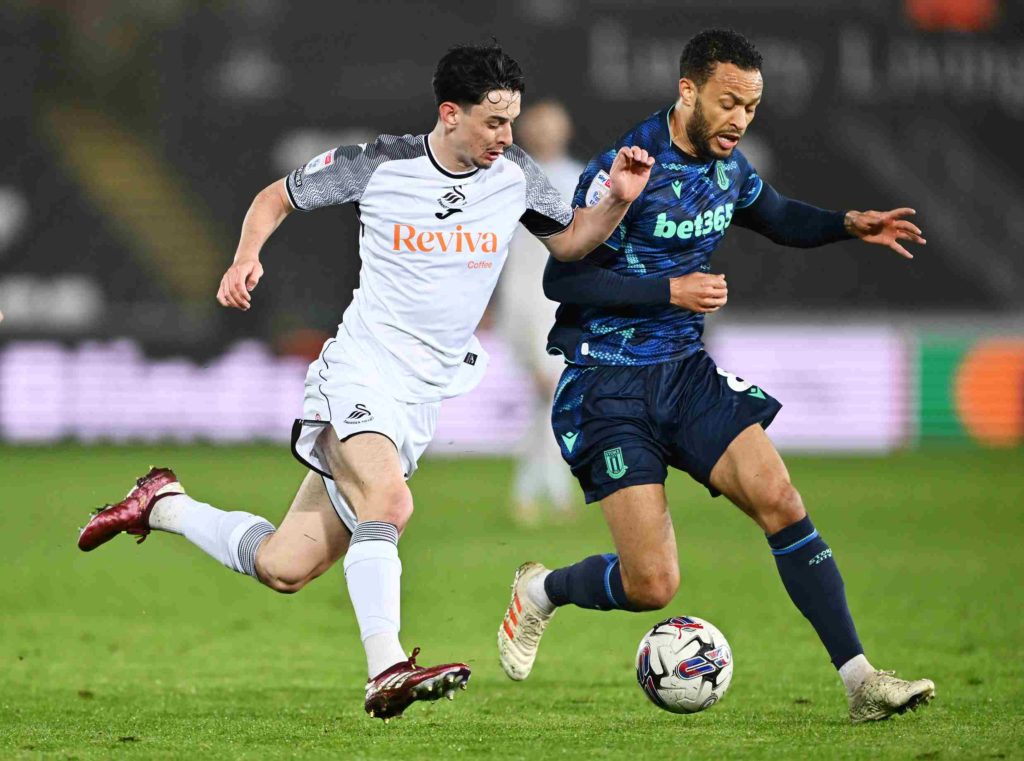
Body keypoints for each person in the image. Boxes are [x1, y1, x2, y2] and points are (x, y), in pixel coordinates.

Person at [78, 43, 654, 721]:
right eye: (495, 122)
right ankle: (386, 669)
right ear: (450, 113)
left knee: (285, 565)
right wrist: (244, 259)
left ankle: (162, 502)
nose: (508, 135)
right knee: (391, 500)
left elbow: (571, 241)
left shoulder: (515, 176)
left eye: (512, 121)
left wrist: (616, 200)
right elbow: (275, 198)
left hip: (419, 399)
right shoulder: (382, 164)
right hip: (360, 370)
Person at [497, 28, 935, 724]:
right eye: (729, 102)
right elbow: (563, 278)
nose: (740, 119)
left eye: (752, 107)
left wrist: (849, 224)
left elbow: (779, 215)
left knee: (781, 498)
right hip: (608, 384)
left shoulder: (729, 172)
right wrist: (667, 294)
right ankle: (543, 589)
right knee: (653, 583)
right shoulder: (625, 167)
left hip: (685, 375)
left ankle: (860, 682)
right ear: (688, 91)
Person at [495, 100, 582, 525]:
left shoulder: (578, 178)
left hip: (561, 306)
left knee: (549, 399)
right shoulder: (507, 176)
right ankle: (546, 491)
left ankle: (536, 491)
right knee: (547, 398)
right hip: (525, 306)